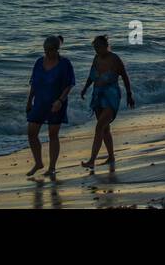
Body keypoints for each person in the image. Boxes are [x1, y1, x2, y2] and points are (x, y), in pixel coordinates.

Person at [79, 34, 134, 169]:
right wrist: (85, 88)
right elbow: (91, 75)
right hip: (98, 95)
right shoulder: (96, 58)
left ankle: (92, 160)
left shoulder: (115, 59)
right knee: (105, 129)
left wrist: (129, 94)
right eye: (94, 47)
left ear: (105, 46)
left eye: (98, 47)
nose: (96, 50)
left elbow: (125, 76)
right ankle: (111, 157)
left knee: (99, 127)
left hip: (111, 96)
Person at [26, 35, 76, 177]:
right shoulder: (39, 62)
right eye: (45, 50)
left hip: (56, 104)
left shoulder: (64, 63)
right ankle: (38, 162)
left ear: (56, 49)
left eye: (49, 50)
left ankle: (52, 167)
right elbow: (34, 83)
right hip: (40, 102)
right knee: (31, 133)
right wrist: (29, 100)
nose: (47, 53)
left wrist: (60, 101)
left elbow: (69, 84)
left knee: (53, 134)